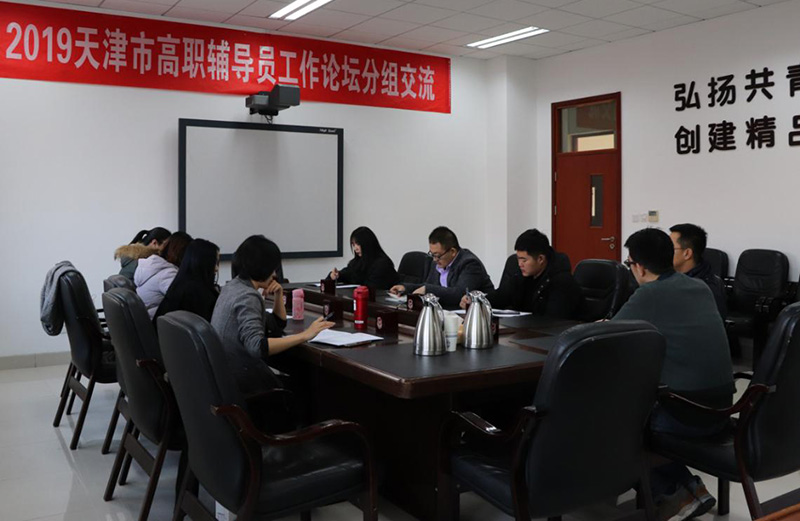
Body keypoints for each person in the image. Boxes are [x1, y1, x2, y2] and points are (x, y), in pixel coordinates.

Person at [612, 228, 734, 520]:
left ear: (639, 267)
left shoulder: (650, 294)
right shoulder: (699, 286)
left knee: (611, 421)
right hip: (722, 407)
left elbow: (606, 339)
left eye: (629, 264)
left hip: (685, 415)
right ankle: (689, 490)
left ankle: (674, 494)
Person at [211, 235, 333, 396]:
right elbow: (257, 347)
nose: (275, 273)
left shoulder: (233, 287)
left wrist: (278, 294)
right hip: (246, 383)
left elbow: (277, 324)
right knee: (307, 386)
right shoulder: (248, 296)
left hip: (228, 378)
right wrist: (305, 335)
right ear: (262, 267)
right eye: (272, 268)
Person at [460, 229, 582, 318]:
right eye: (518, 258)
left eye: (524, 260)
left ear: (540, 259)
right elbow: (501, 296)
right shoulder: (522, 275)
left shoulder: (562, 282)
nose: (519, 264)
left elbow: (553, 321)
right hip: (526, 333)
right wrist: (476, 301)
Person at [389, 226, 493, 309]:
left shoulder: (470, 263)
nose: (434, 259)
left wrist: (427, 289)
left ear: (452, 251)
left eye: (437, 255)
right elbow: (428, 286)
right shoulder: (438, 261)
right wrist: (406, 288)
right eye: (432, 254)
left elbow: (459, 294)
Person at [154, 238, 220, 323]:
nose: (216, 269)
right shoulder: (199, 294)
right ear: (203, 263)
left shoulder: (180, 284)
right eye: (214, 263)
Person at [669, 223, 727, 318]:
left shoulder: (705, 289)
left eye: (669, 248)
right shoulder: (671, 277)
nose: (664, 252)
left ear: (687, 253)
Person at [134, 231, 192, 318]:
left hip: (147, 319)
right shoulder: (168, 274)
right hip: (156, 323)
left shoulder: (151, 267)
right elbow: (185, 301)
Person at [327, 226, 398, 289]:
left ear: (368, 243)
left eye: (358, 244)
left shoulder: (382, 264)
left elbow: (372, 288)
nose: (355, 248)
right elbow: (346, 274)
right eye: (353, 245)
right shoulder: (356, 262)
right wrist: (336, 275)